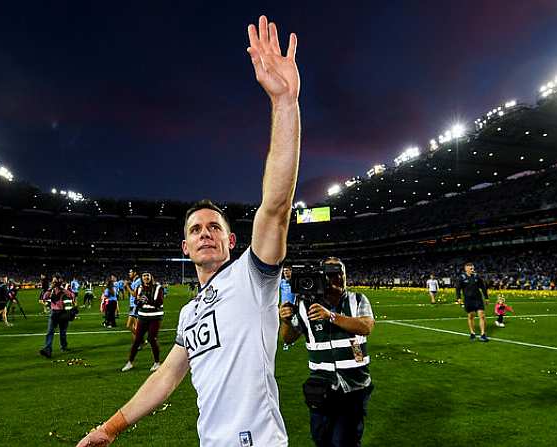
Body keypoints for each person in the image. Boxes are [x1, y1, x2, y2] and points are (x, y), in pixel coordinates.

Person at [77, 14, 299, 446]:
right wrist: (109, 429)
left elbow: (275, 207)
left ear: (231, 241)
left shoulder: (253, 276)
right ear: (185, 246)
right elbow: (165, 379)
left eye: (214, 226)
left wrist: (284, 103)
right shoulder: (189, 313)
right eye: (195, 229)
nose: (204, 233)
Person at [279, 258, 375, 447]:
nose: (336, 278)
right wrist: (286, 320)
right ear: (322, 277)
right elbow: (288, 338)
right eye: (330, 274)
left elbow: (366, 327)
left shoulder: (358, 299)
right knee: (321, 439)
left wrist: (330, 316)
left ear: (346, 275)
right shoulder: (306, 306)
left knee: (344, 442)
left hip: (353, 385)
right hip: (321, 387)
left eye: (339, 273)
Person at [121, 272, 164, 372]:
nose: (146, 277)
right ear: (142, 278)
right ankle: (130, 362)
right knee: (137, 340)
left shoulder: (158, 287)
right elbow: (136, 301)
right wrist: (139, 301)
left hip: (154, 317)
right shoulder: (139, 287)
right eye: (144, 276)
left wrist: (146, 300)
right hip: (143, 316)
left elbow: (159, 302)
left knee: (152, 339)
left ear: (151, 277)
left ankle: (157, 362)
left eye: (147, 275)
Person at [39, 280, 75, 358]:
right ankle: (48, 350)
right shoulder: (51, 290)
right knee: (50, 331)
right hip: (54, 313)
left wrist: (62, 289)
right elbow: (44, 297)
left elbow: (72, 296)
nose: (54, 283)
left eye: (55, 282)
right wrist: (50, 289)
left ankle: (64, 346)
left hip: (63, 313)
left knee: (62, 332)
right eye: (53, 282)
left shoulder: (64, 290)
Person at [456, 262, 489, 342]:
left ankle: (483, 334)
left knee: (482, 315)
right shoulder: (462, 277)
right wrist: (459, 298)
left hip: (478, 299)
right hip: (468, 300)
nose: (473, 270)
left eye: (473, 268)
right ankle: (472, 333)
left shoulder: (477, 276)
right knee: (471, 316)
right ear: (466, 269)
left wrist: (486, 298)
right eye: (471, 269)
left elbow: (483, 287)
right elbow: (458, 288)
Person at [279, 266, 296, 351]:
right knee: (286, 323)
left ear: (291, 272)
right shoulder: (281, 282)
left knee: (294, 324)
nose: (285, 272)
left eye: (287, 271)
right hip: (284, 307)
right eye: (284, 271)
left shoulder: (294, 282)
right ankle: (286, 343)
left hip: (293, 306)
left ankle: (290, 340)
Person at [125, 268, 141, 335]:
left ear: (135, 273)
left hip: (135, 305)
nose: (129, 273)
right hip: (132, 305)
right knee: (135, 326)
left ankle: (140, 340)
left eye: (130, 272)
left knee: (129, 326)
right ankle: (138, 343)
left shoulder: (138, 281)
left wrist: (127, 286)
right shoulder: (134, 281)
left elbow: (134, 294)